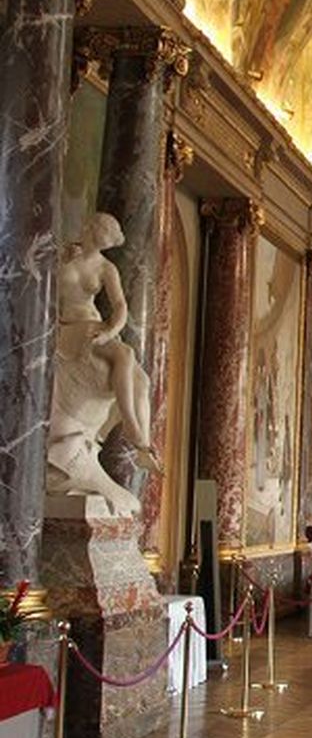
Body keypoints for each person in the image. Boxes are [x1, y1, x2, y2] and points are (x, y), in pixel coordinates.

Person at [47, 212, 159, 516]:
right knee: (125, 355)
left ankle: (143, 444)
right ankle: (136, 434)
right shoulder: (65, 254)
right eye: (100, 232)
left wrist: (110, 330)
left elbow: (121, 306)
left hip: (94, 327)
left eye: (107, 236)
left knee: (143, 382)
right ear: (91, 228)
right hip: (68, 329)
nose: (102, 239)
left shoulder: (107, 268)